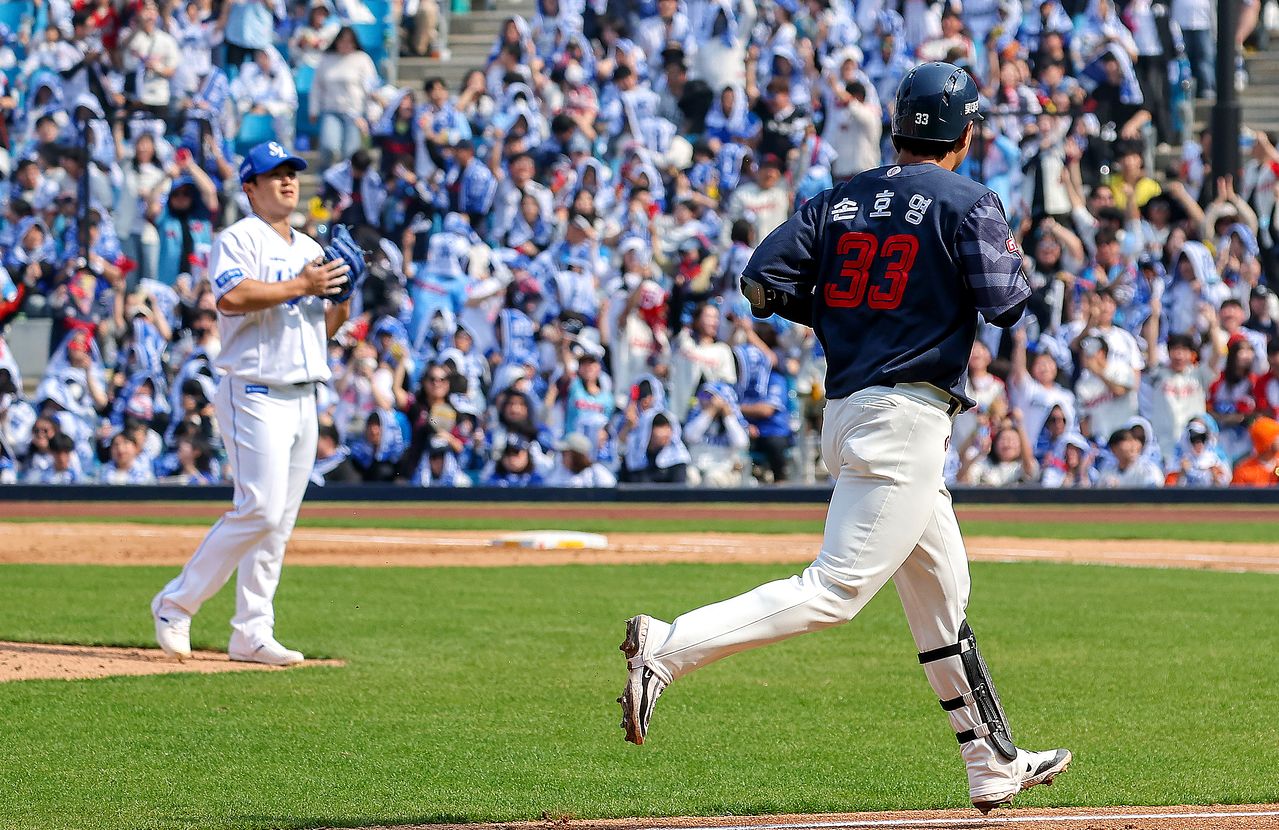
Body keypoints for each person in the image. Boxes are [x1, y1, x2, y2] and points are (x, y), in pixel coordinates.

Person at [615, 63, 1070, 814]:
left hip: (855, 406)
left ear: (897, 124)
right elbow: (1007, 305)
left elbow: (761, 282)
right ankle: (668, 647)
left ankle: (992, 764)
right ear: (961, 132)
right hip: (907, 419)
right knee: (833, 591)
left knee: (940, 599)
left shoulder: (841, 196)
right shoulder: (968, 198)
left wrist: (840, 313)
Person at [151, 141, 353, 667]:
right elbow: (230, 298)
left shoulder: (312, 248)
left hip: (305, 393)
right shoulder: (237, 239)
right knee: (259, 508)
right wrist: (302, 283)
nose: (287, 182)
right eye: (274, 174)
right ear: (250, 187)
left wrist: (342, 296)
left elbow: (323, 328)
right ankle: (175, 603)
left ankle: (252, 630)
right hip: (255, 391)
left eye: (292, 173)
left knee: (278, 522)